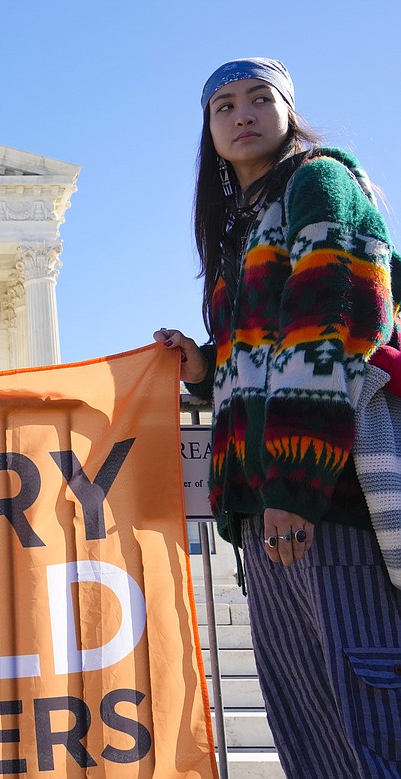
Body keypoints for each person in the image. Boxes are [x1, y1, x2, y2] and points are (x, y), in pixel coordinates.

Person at [157, 59, 401, 777]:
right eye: (223, 106)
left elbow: (332, 331)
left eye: (260, 99)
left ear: (289, 110)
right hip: (263, 511)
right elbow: (257, 351)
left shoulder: (318, 182)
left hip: (326, 502)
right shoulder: (238, 229)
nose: (242, 115)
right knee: (311, 732)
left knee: (368, 721)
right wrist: (203, 365)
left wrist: (292, 490)